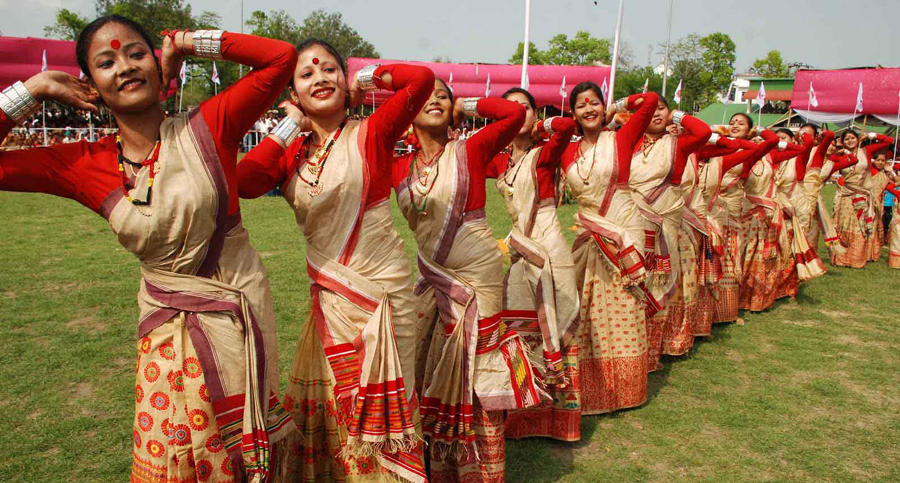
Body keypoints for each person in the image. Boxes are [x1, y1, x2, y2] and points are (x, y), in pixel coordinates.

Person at [0, 16, 298, 482]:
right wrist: (34, 89)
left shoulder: (209, 127)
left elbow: (280, 57)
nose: (124, 66)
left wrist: (186, 42)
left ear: (159, 70)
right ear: (91, 85)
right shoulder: (84, 164)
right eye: (106, 62)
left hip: (234, 330)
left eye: (136, 54)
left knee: (244, 465)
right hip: (162, 343)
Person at [237, 45, 434, 483]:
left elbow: (419, 80)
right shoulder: (293, 153)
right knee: (337, 404)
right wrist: (290, 124)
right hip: (332, 298)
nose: (320, 78)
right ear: (294, 93)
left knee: (387, 407)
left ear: (344, 82)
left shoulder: (373, 132)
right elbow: (246, 182)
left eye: (330, 70)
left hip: (383, 298)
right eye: (306, 75)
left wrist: (366, 78)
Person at [392, 79, 544, 483]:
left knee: (478, 369)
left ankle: (483, 472)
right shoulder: (398, 167)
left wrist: (466, 103)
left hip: (478, 280)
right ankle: (438, 465)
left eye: (442, 95)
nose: (435, 100)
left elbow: (513, 114)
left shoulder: (471, 150)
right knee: (429, 359)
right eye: (425, 97)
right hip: (434, 277)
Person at [487, 87, 582, 443]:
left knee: (555, 321)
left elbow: (568, 126)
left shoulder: (544, 152)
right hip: (521, 249)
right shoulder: (500, 161)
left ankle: (560, 420)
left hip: (549, 249)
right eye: (509, 108)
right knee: (520, 327)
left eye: (524, 108)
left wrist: (540, 127)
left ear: (535, 113)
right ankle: (522, 410)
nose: (517, 113)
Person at [560, 83, 659, 415]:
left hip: (623, 230)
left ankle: (627, 388)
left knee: (625, 303)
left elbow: (650, 102)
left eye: (595, 103)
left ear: (604, 108)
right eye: (581, 105)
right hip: (591, 233)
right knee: (587, 305)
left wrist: (618, 104)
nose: (588, 109)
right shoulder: (566, 150)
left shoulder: (620, 139)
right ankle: (592, 383)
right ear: (573, 113)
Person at [629, 95, 710, 365]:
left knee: (659, 280)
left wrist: (677, 115)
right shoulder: (627, 143)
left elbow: (704, 132)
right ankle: (629, 344)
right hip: (631, 222)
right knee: (632, 280)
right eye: (648, 111)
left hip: (664, 224)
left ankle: (654, 349)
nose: (655, 114)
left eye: (660, 109)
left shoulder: (678, 144)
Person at [770, 128, 825, 299]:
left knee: (793, 248)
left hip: (795, 209)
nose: (780, 141)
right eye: (777, 138)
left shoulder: (798, 158)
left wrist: (800, 133)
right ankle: (772, 287)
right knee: (775, 248)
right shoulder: (771, 158)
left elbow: (808, 142)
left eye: (784, 138)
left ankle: (789, 288)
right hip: (774, 208)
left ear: (792, 140)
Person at [831, 130, 893, 268]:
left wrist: (872, 135)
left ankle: (856, 260)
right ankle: (841, 259)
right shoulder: (840, 155)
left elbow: (889, 141)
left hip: (863, 195)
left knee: (861, 226)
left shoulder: (866, 151)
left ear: (857, 139)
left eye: (853, 138)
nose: (850, 140)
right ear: (842, 141)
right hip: (847, 195)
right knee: (844, 225)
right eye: (847, 139)